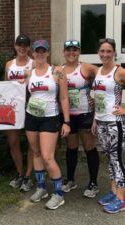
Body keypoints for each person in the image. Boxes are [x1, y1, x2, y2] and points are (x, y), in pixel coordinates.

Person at [25, 39, 70, 210]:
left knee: (47, 156)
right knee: (36, 152)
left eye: (43, 51)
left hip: (50, 117)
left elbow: (64, 98)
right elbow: (16, 91)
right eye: (37, 51)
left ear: (48, 53)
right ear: (33, 53)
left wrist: (66, 122)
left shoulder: (57, 72)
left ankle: (58, 194)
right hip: (31, 117)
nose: (40, 54)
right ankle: (41, 188)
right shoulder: (28, 73)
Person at [60, 40, 100, 198]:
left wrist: (95, 96)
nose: (71, 53)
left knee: (89, 147)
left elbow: (105, 78)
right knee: (71, 147)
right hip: (68, 115)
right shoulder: (59, 69)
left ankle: (93, 183)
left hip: (85, 113)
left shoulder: (87, 67)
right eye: (68, 50)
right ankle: (70, 179)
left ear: (79, 52)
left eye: (74, 50)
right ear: (64, 51)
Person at [91, 38, 125, 213]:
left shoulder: (119, 72)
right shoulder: (98, 71)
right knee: (110, 160)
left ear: (114, 52)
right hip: (102, 122)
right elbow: (98, 98)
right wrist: (95, 120)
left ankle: (122, 198)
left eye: (108, 51)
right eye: (102, 51)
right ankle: (114, 192)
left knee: (117, 160)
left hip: (115, 123)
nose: (105, 54)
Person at [4, 34, 34, 191]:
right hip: (12, 107)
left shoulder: (34, 64)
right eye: (19, 45)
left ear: (29, 47)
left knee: (32, 143)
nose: (22, 48)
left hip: (30, 105)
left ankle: (28, 175)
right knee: (13, 142)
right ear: (15, 46)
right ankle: (20, 173)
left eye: (25, 45)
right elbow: (5, 85)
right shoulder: (9, 64)